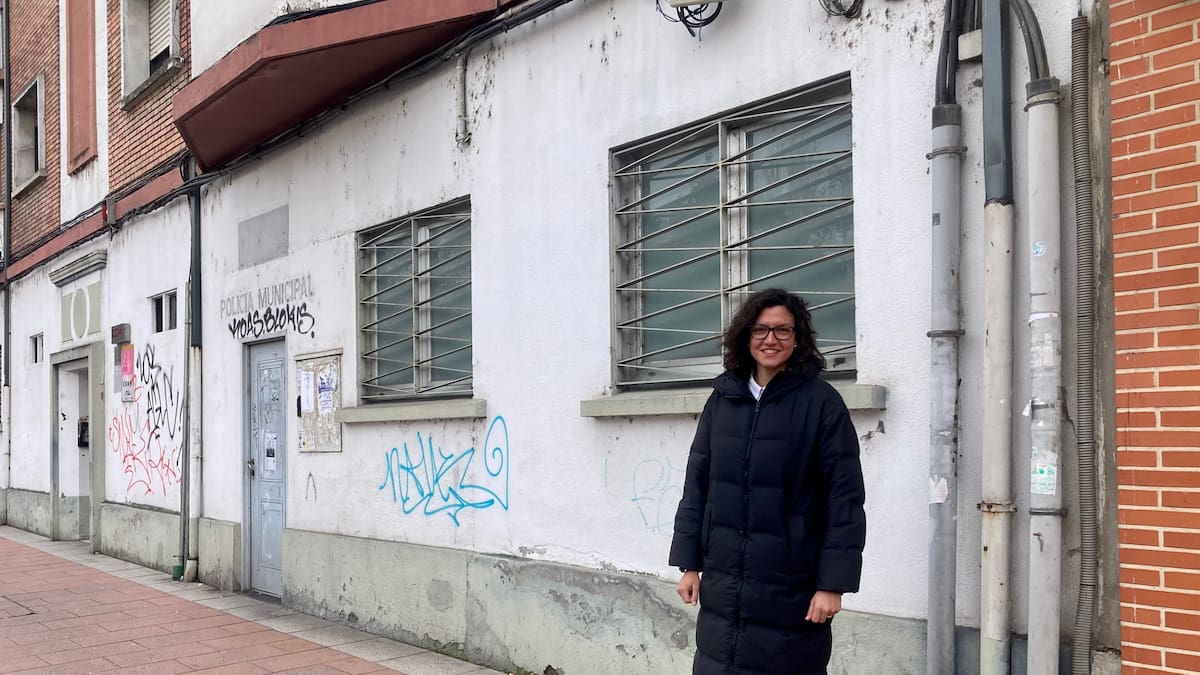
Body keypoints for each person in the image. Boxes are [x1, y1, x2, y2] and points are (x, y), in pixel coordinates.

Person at [669, 288, 867, 675]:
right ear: (745, 336)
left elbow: (844, 500)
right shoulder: (722, 400)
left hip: (790, 585)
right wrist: (688, 564)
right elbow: (698, 486)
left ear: (799, 338)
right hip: (724, 582)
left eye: (782, 330)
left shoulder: (821, 404)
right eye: (760, 330)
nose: (770, 340)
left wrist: (833, 585)